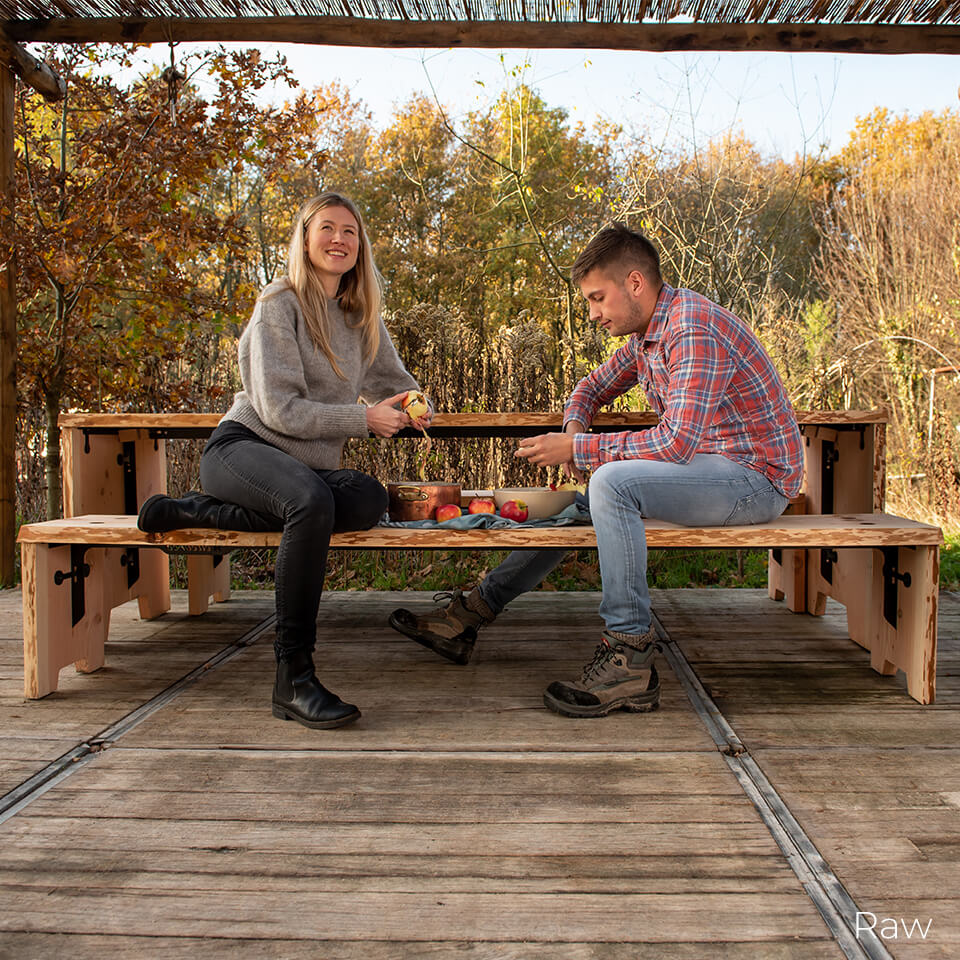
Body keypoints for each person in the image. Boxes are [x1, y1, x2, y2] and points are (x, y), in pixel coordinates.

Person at [389, 223, 803, 718]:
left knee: (610, 483)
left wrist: (576, 449)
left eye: (598, 298)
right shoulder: (649, 334)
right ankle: (471, 614)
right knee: (577, 505)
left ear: (634, 283)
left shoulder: (691, 330)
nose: (593, 314)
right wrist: (573, 428)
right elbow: (588, 389)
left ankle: (630, 658)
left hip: (754, 480)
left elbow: (675, 443)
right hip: (708, 468)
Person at [138, 192, 431, 730]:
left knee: (367, 496)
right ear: (304, 238)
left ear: (360, 246)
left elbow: (396, 380)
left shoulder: (359, 315)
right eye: (327, 227)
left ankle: (194, 511)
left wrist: (418, 404)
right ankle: (293, 676)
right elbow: (279, 409)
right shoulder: (279, 303)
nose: (339, 238)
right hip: (243, 450)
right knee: (311, 500)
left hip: (303, 469)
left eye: (350, 230)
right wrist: (363, 420)